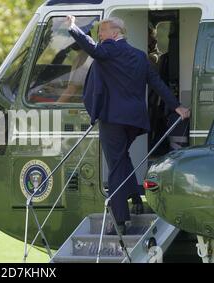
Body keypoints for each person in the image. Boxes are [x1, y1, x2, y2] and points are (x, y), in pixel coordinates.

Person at [66, 16, 190, 235]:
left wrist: (72, 27)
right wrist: (177, 106)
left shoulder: (108, 51)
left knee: (115, 167)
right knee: (122, 157)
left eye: (103, 31)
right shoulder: (140, 56)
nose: (100, 35)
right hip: (134, 120)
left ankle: (120, 220)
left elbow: (91, 47)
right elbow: (157, 83)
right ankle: (135, 197)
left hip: (112, 120)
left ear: (115, 33)